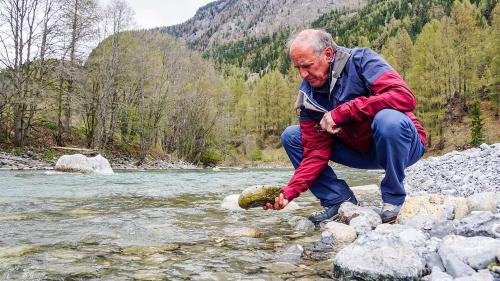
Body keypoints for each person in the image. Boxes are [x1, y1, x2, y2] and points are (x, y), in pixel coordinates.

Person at [263, 29, 427, 224]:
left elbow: (404, 96)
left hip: (403, 144)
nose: (303, 74)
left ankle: (393, 200)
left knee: (388, 120)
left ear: (328, 54)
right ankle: (338, 201)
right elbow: (315, 153)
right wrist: (289, 193)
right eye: (297, 68)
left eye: (307, 65)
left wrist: (342, 112)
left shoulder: (361, 60)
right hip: (359, 151)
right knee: (291, 136)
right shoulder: (309, 96)